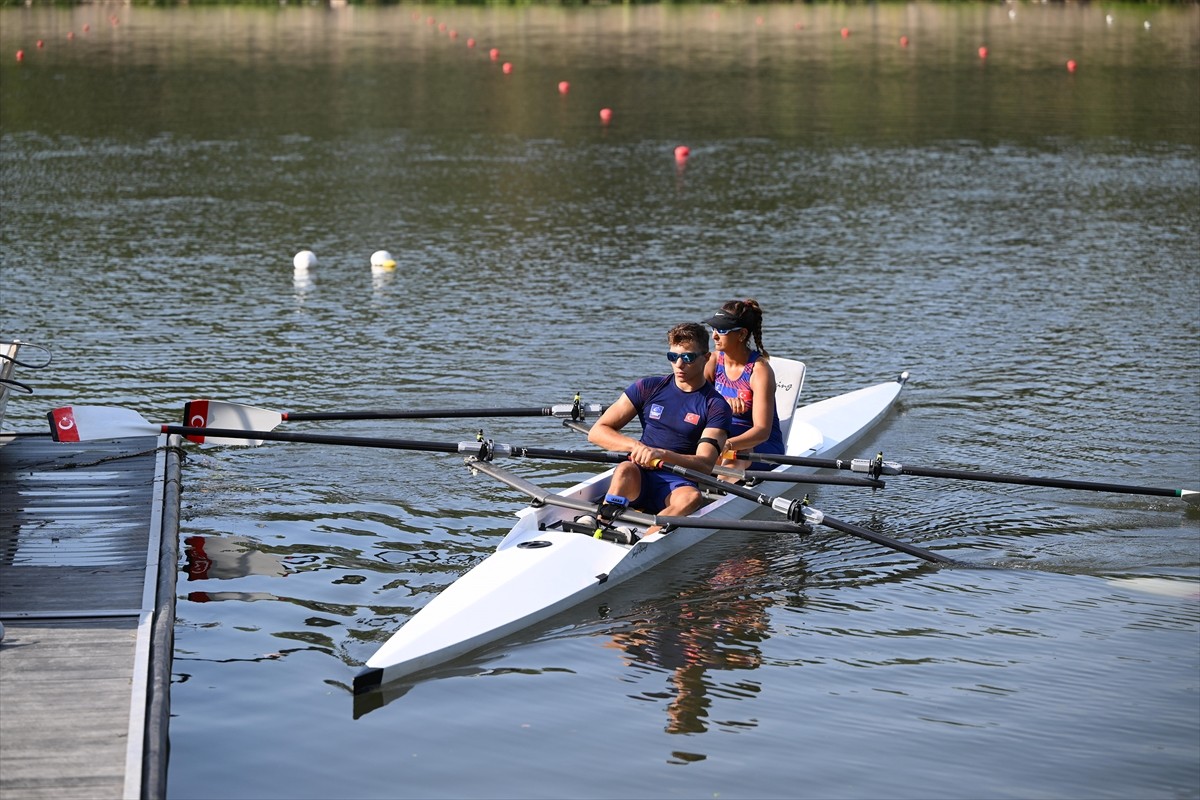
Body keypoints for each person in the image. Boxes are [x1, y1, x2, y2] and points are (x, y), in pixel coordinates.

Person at [587, 322, 732, 538]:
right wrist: (637, 447)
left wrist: (661, 454)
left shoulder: (716, 405)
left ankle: (644, 541)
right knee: (625, 469)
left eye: (688, 358)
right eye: (673, 357)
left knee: (692, 498)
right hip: (640, 474)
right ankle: (603, 523)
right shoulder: (648, 387)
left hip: (677, 482)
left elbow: (705, 464)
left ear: (706, 357)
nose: (679, 365)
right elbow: (597, 432)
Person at [702, 299, 785, 473]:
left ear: (741, 334)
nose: (714, 336)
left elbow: (762, 431)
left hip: (759, 444)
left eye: (722, 330)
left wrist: (728, 445)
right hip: (721, 435)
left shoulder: (759, 370)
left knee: (736, 455)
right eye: (714, 329)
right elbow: (694, 402)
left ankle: (722, 497)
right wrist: (722, 404)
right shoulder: (713, 361)